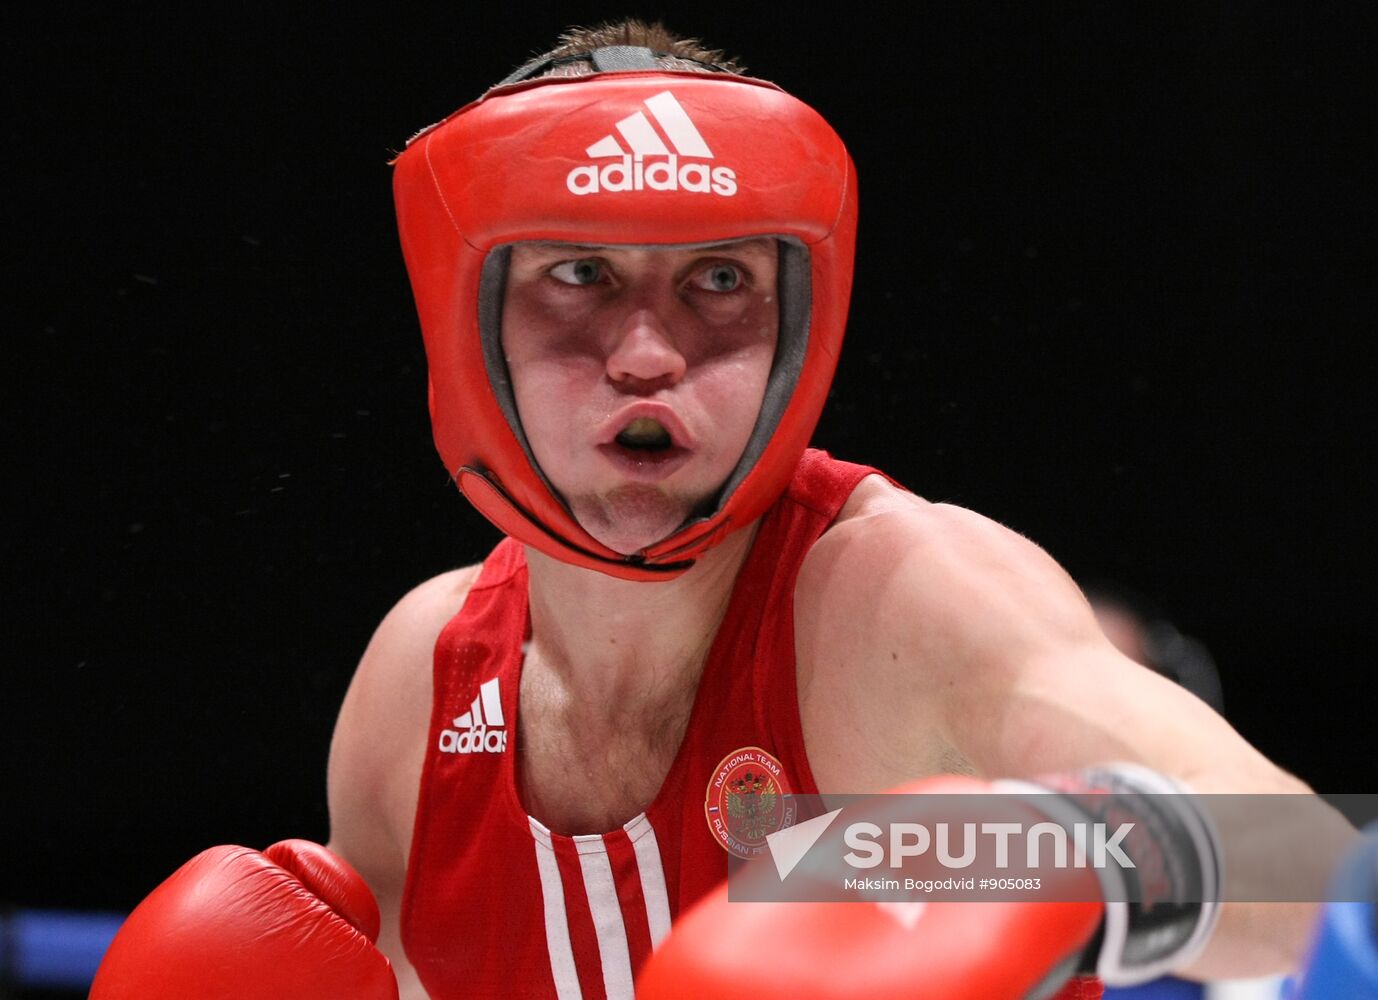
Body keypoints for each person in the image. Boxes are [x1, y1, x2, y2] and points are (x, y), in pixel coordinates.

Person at [89, 20, 1356, 1000]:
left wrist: (1052, 858)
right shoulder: (421, 684)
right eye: (577, 275)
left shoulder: (900, 602)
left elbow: (1320, 875)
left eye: (717, 280)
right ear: (464, 321)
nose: (648, 351)